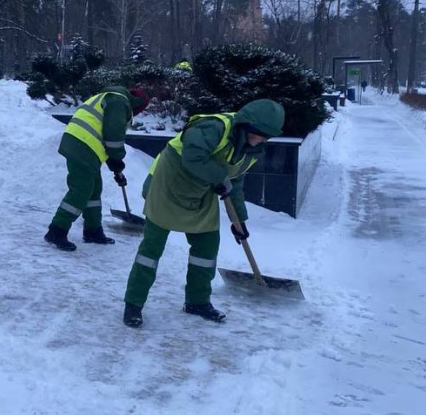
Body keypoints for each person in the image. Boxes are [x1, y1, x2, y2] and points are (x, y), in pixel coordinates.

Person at [122, 99, 285, 328]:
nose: (261, 140)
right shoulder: (213, 127)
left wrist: (240, 221)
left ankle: (197, 301)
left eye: (266, 136)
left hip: (201, 191)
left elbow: (234, 183)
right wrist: (219, 178)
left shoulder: (252, 151)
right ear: (246, 125)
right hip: (168, 184)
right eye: (259, 134)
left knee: (207, 247)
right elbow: (193, 157)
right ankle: (133, 304)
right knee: (151, 249)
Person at [45, 85, 150, 251]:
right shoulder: (119, 102)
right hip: (82, 145)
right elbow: (113, 134)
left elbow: (105, 133)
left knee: (94, 189)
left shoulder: (111, 98)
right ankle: (57, 229)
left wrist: (115, 166)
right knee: (81, 190)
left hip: (84, 144)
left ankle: (93, 230)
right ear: (136, 105)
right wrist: (116, 160)